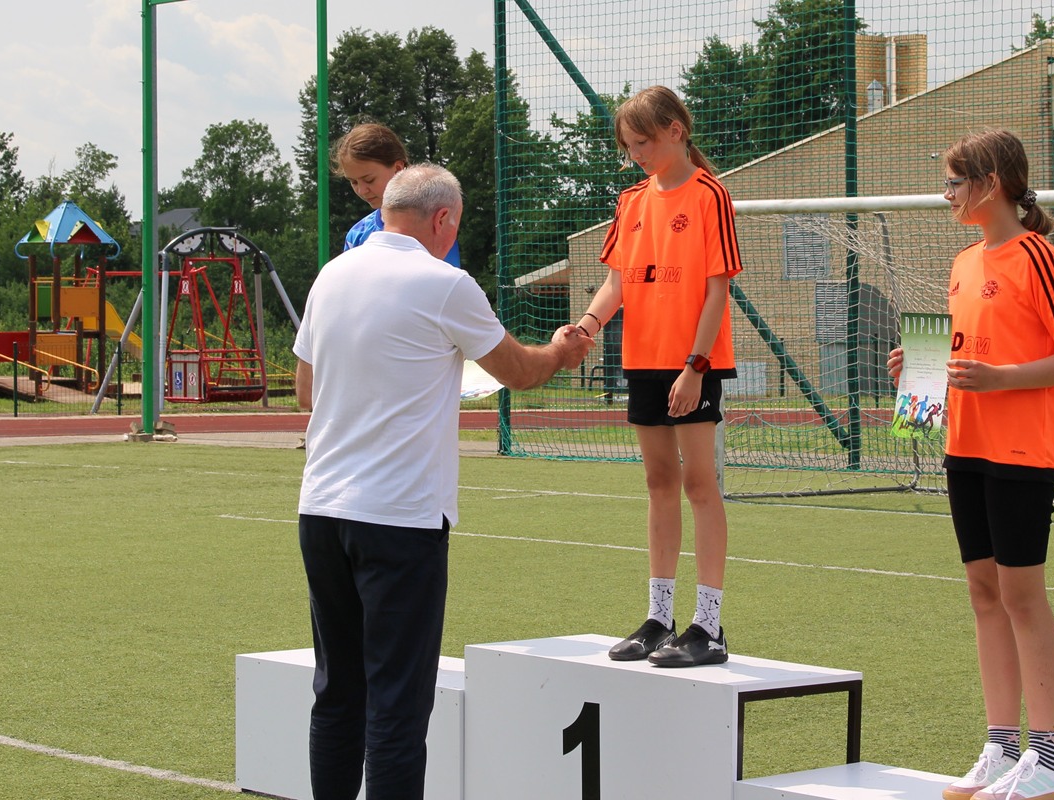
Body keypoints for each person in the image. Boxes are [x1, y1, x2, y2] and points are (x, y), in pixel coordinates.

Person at [293, 163, 591, 800]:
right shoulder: (446, 283)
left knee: (337, 692)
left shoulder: (331, 275)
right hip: (399, 517)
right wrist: (563, 351)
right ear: (443, 219)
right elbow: (519, 371)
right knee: (397, 705)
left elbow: (305, 391)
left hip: (320, 510)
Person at [887, 129, 1054, 800]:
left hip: (1022, 451)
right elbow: (966, 356)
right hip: (965, 446)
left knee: (1021, 597)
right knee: (984, 593)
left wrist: (1001, 379)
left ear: (992, 184)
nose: (946, 194)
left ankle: (1049, 760)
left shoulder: (1039, 259)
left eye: (954, 182)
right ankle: (1002, 748)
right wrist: (917, 369)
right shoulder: (963, 262)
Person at [576, 85, 742, 668]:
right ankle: (659, 618)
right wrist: (587, 326)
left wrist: (696, 366)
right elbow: (617, 282)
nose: (636, 155)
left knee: (700, 485)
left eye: (643, 142)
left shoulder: (710, 195)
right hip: (642, 360)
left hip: (693, 362)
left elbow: (718, 290)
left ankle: (709, 627)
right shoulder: (630, 201)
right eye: (628, 147)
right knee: (658, 483)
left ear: (677, 130)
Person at [332, 122, 461, 266]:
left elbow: (444, 276)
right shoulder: (357, 234)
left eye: (369, 180)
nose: (362, 190)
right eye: (353, 182)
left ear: (398, 169)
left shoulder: (432, 222)